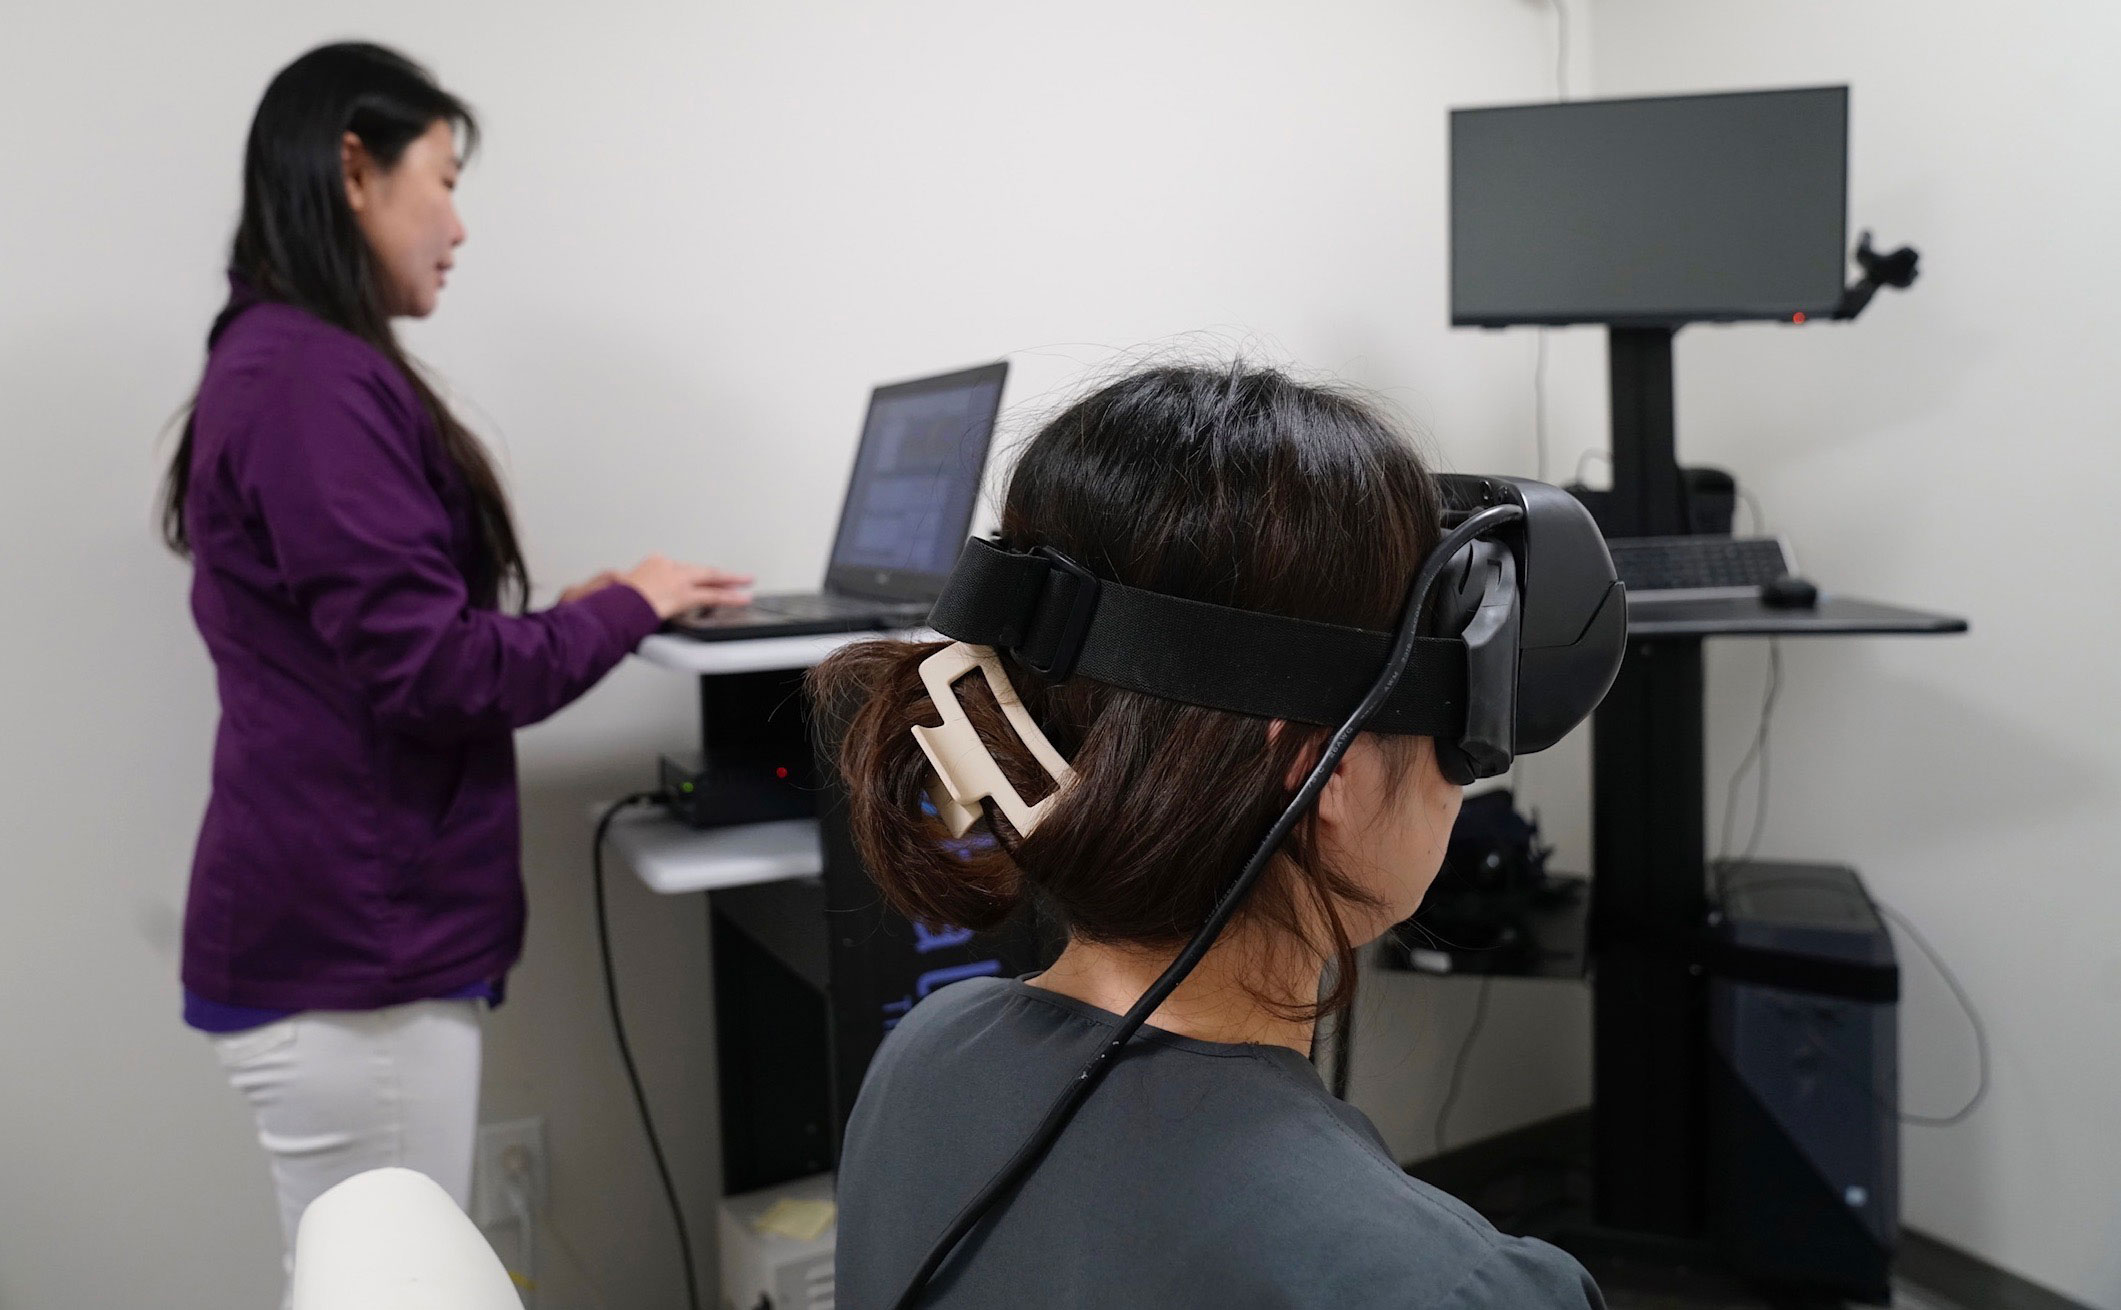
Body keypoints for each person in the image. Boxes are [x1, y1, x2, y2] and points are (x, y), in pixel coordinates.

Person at [815, 364, 1604, 1308]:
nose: (1461, 778)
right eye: (1461, 734)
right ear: (1324, 764)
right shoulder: (1460, 1291)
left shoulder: (925, 1055)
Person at [158, 42, 749, 1294]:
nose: (461, 225)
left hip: (336, 941)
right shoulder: (311, 378)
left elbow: (390, 636)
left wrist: (579, 614)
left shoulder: (286, 359)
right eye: (446, 178)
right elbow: (435, 673)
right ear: (354, 169)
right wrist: (631, 605)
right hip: (352, 958)